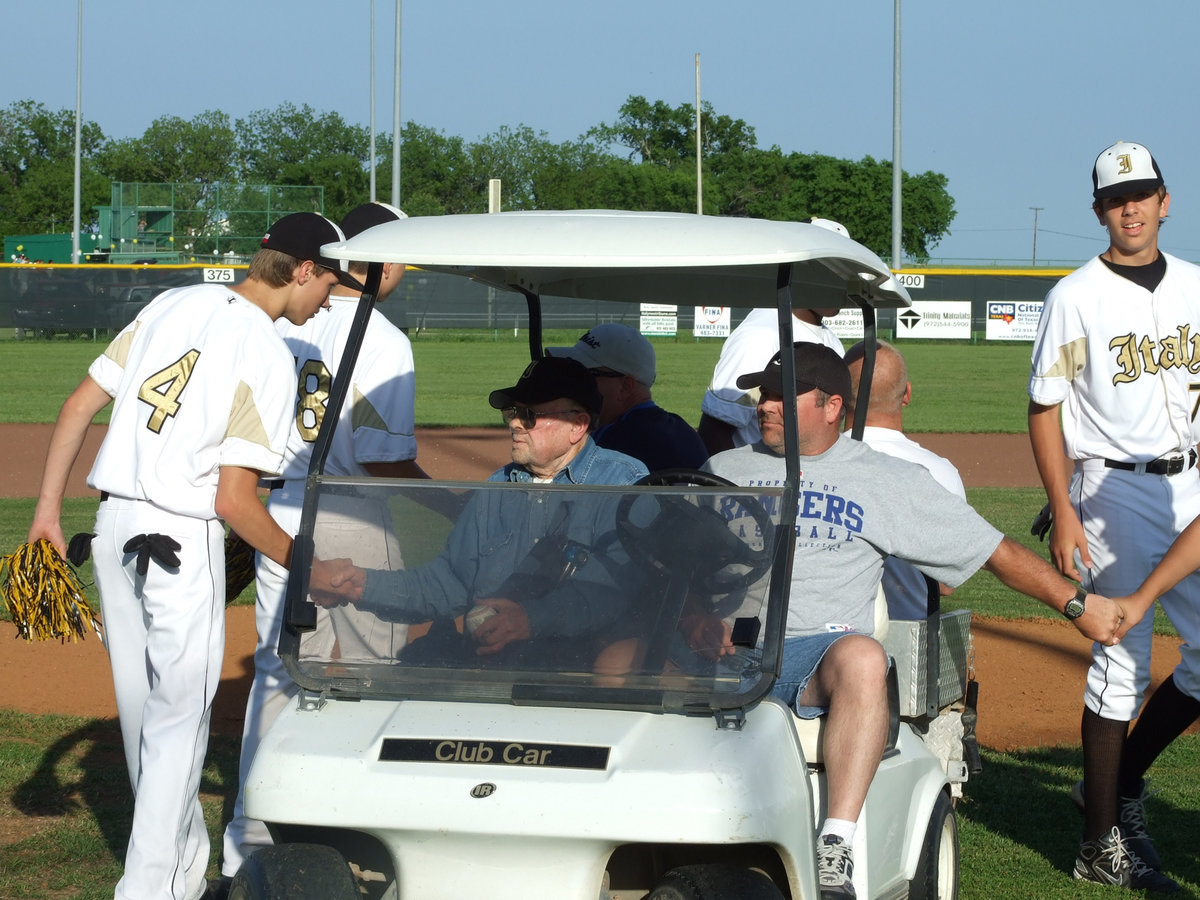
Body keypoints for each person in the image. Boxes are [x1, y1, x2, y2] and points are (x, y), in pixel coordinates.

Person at [704, 342, 1126, 900]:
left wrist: (1078, 606)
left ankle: (837, 844)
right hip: (726, 652)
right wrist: (694, 619)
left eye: (783, 396)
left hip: (819, 656)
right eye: (764, 394)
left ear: (832, 407)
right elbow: (673, 570)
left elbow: (993, 551)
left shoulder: (883, 478)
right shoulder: (719, 471)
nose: (766, 406)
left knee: (863, 657)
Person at [24, 212, 355, 900]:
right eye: (329, 282)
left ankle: (176, 874)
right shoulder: (266, 353)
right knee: (178, 724)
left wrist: (48, 512)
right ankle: (145, 890)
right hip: (182, 539)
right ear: (302, 269)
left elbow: (78, 404)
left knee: (146, 712)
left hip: (112, 528)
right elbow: (236, 502)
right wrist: (306, 563)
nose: (328, 299)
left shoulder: (170, 300)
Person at [217, 201, 430, 889]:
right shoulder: (384, 337)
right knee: (373, 671)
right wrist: (456, 510)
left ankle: (251, 834)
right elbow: (385, 461)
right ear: (386, 263)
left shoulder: (277, 320)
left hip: (270, 507)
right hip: (350, 512)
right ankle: (366, 828)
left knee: (280, 675)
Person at [1028, 140, 1200, 892]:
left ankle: (1119, 786)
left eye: (1142, 193)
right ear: (1099, 211)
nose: (1129, 207)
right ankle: (1099, 845)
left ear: (1165, 201)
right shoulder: (1076, 295)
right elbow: (1043, 408)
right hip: (1116, 490)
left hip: (1191, 481)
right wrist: (1063, 507)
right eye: (1114, 198)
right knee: (1120, 656)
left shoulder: (1198, 286)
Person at [311, 356, 648, 664]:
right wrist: (361, 585)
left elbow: (617, 592)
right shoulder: (496, 488)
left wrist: (532, 619)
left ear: (578, 425)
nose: (515, 423)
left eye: (530, 415)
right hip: (496, 669)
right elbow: (447, 583)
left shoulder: (624, 485)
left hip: (585, 673)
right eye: (513, 412)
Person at [697, 218, 849, 456]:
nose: (841, 284)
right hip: (758, 485)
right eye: (831, 273)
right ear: (801, 270)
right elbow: (715, 430)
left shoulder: (831, 340)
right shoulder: (760, 335)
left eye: (844, 274)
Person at [843, 339, 967, 620]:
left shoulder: (811, 464)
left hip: (825, 636)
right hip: (908, 638)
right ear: (906, 393)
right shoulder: (939, 471)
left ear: (838, 396)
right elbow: (946, 583)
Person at [547, 323, 708, 471]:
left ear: (625, 386)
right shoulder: (682, 430)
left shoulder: (612, 441)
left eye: (585, 374)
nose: (572, 383)